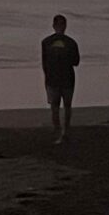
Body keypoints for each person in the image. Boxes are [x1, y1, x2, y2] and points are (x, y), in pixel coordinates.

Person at [40, 15, 80, 145]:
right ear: (65, 26)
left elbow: (44, 64)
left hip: (52, 78)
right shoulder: (71, 42)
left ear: (53, 25)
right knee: (67, 106)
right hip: (67, 77)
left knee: (55, 107)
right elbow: (76, 62)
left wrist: (46, 80)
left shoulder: (46, 42)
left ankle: (58, 131)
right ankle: (65, 132)